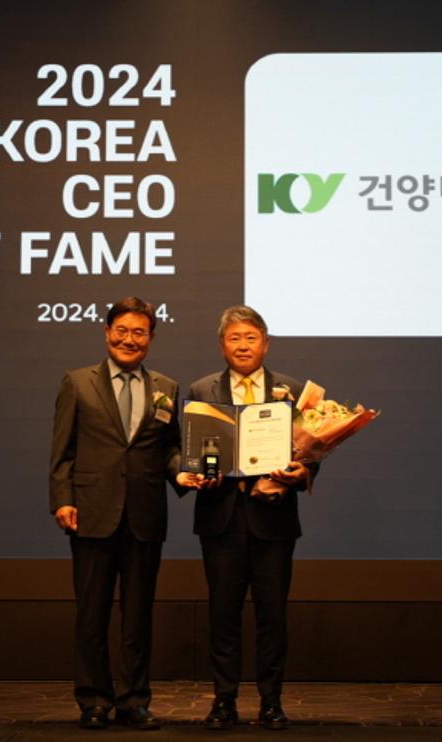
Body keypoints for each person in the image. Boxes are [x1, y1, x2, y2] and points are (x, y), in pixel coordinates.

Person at [49, 296, 185, 731]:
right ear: (107, 332)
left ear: (151, 338)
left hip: (145, 514)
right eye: (122, 330)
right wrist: (62, 498)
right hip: (91, 511)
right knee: (91, 613)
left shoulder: (166, 387)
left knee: (138, 615)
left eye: (139, 332)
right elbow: (62, 450)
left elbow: (169, 449)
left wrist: (182, 474)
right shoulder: (77, 382)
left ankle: (133, 700)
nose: (129, 339)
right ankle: (93, 699)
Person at [182, 305, 313, 731]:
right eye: (234, 338)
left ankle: (271, 702)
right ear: (222, 345)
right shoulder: (201, 390)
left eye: (250, 337)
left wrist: (300, 473)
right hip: (221, 518)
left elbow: (309, 455)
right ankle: (224, 701)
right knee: (223, 614)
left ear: (266, 343)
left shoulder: (291, 390)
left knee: (273, 616)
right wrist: (200, 471)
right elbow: (190, 447)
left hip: (273, 520)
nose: (243, 345)